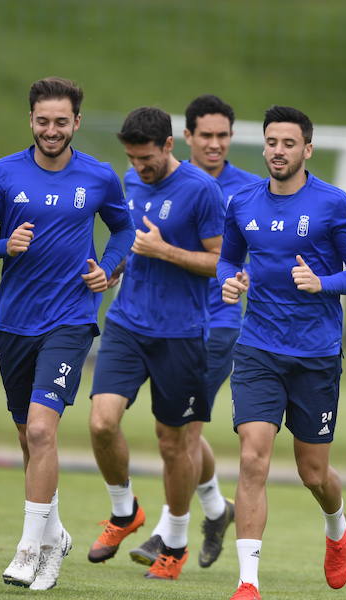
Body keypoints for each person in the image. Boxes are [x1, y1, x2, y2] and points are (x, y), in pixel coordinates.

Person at [0, 77, 135, 590]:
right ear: (30, 121)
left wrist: (108, 268)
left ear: (77, 122)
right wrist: (3, 247)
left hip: (71, 319)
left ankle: (28, 548)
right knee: (29, 437)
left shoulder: (99, 176)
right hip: (13, 322)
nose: (52, 130)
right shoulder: (2, 172)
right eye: (43, 121)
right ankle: (55, 537)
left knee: (41, 430)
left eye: (62, 121)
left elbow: (123, 229)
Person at [218, 105, 346, 600]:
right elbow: (226, 259)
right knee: (252, 459)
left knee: (313, 472)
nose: (278, 151)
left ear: (307, 149)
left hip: (316, 355)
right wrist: (230, 282)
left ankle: (336, 526)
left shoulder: (334, 204)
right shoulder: (242, 202)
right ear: (262, 146)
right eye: (271, 142)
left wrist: (321, 283)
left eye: (289, 144)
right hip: (259, 347)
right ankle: (248, 582)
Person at [87, 106, 224, 580]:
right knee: (102, 423)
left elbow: (220, 262)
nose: (139, 166)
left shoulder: (202, 191)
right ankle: (126, 513)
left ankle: (178, 543)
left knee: (174, 444)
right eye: (132, 157)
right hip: (127, 323)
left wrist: (163, 250)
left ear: (169, 146)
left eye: (146, 158)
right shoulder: (131, 179)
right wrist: (114, 268)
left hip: (182, 333)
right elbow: (132, 239)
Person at [128, 94, 261, 570]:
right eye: (205, 135)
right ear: (185, 138)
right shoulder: (162, 181)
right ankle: (214, 508)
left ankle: (168, 532)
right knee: (173, 431)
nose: (215, 143)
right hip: (165, 321)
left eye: (223, 135)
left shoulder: (250, 189)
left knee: (184, 431)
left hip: (219, 323)